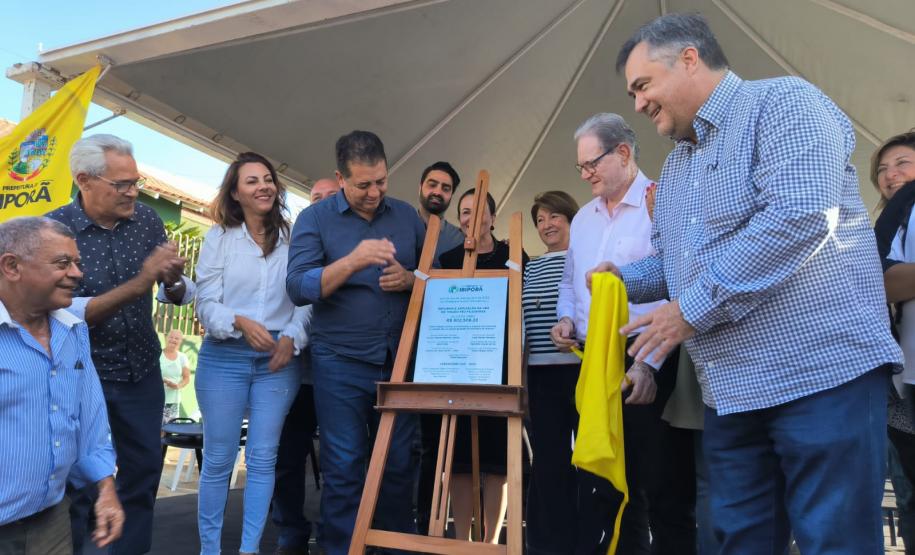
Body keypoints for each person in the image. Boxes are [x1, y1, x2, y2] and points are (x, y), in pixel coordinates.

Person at [612, 13, 901, 553]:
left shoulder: (785, 103)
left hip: (821, 376)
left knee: (834, 542)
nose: (637, 105)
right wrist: (621, 280)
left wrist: (688, 311)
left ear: (690, 59)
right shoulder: (674, 170)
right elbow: (679, 266)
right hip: (732, 397)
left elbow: (801, 215)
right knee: (739, 543)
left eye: (643, 85)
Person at [550, 113, 695, 554]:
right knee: (605, 482)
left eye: (592, 164)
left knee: (660, 482)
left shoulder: (662, 203)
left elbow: (674, 282)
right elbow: (570, 281)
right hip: (595, 357)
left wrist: (646, 363)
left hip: (651, 354)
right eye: (581, 168)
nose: (586, 174)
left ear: (624, 153)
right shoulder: (583, 220)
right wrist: (567, 320)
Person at [45, 134, 195, 555]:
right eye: (122, 185)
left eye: (135, 182)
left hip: (141, 373)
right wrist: (142, 281)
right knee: (83, 483)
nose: (133, 192)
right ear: (85, 181)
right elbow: (66, 312)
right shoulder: (54, 232)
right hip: (81, 374)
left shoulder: (147, 220)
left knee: (144, 472)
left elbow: (172, 290)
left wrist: (173, 280)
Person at [286, 130, 425, 554]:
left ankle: (394, 549)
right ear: (340, 178)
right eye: (363, 184)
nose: (374, 192)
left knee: (401, 465)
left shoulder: (406, 217)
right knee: (344, 468)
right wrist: (352, 260)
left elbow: (435, 276)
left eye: (381, 181)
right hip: (339, 363)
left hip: (399, 362)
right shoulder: (314, 219)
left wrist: (411, 280)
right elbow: (297, 287)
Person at [194, 152, 309, 555]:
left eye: (268, 178)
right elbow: (205, 304)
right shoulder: (218, 238)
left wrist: (291, 337)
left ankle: (249, 550)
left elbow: (306, 302)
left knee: (262, 460)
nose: (263, 186)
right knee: (219, 460)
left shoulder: (295, 236)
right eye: (251, 181)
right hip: (224, 356)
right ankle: (210, 550)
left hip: (278, 361)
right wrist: (240, 321)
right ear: (235, 193)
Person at [0, 217, 123, 554]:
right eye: (62, 263)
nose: (77, 273)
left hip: (52, 519)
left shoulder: (72, 331)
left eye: (77, 263)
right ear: (12, 267)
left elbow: (91, 418)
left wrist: (106, 488)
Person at [437, 188, 529, 543]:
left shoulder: (512, 255)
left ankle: (489, 545)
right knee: (458, 463)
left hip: (499, 371)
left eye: (478, 211)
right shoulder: (446, 259)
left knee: (496, 464)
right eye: (463, 212)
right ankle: (461, 541)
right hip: (456, 369)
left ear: (492, 216)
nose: (470, 218)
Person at [270, 176, 340, 555]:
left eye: (331, 197)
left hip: (338, 373)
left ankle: (335, 532)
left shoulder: (350, 244)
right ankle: (291, 530)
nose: (323, 203)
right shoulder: (295, 246)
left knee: (340, 458)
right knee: (287, 455)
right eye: (316, 198)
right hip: (295, 372)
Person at [521, 190, 583, 554]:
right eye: (540, 220)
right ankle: (548, 543)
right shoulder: (529, 266)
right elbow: (525, 327)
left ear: (570, 218)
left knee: (586, 457)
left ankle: (584, 536)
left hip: (579, 372)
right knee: (548, 460)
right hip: (540, 376)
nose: (547, 225)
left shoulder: (584, 257)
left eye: (554, 216)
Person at [872, 130, 915, 552]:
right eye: (883, 169)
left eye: (902, 163)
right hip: (897, 390)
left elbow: (884, 280)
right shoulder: (883, 225)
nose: (890, 174)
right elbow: (881, 281)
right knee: (907, 500)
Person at [417, 161, 465, 261]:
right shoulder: (398, 224)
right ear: (420, 187)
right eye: (432, 185)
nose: (438, 192)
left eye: (446, 189)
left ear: (451, 195)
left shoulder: (460, 239)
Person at [160, 329, 191, 425]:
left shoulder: (183, 357)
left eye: (177, 338)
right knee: (155, 429)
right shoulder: (157, 354)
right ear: (166, 338)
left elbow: (186, 378)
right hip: (156, 398)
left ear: (181, 341)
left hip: (173, 401)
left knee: (169, 428)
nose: (173, 340)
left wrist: (177, 386)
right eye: (171, 337)